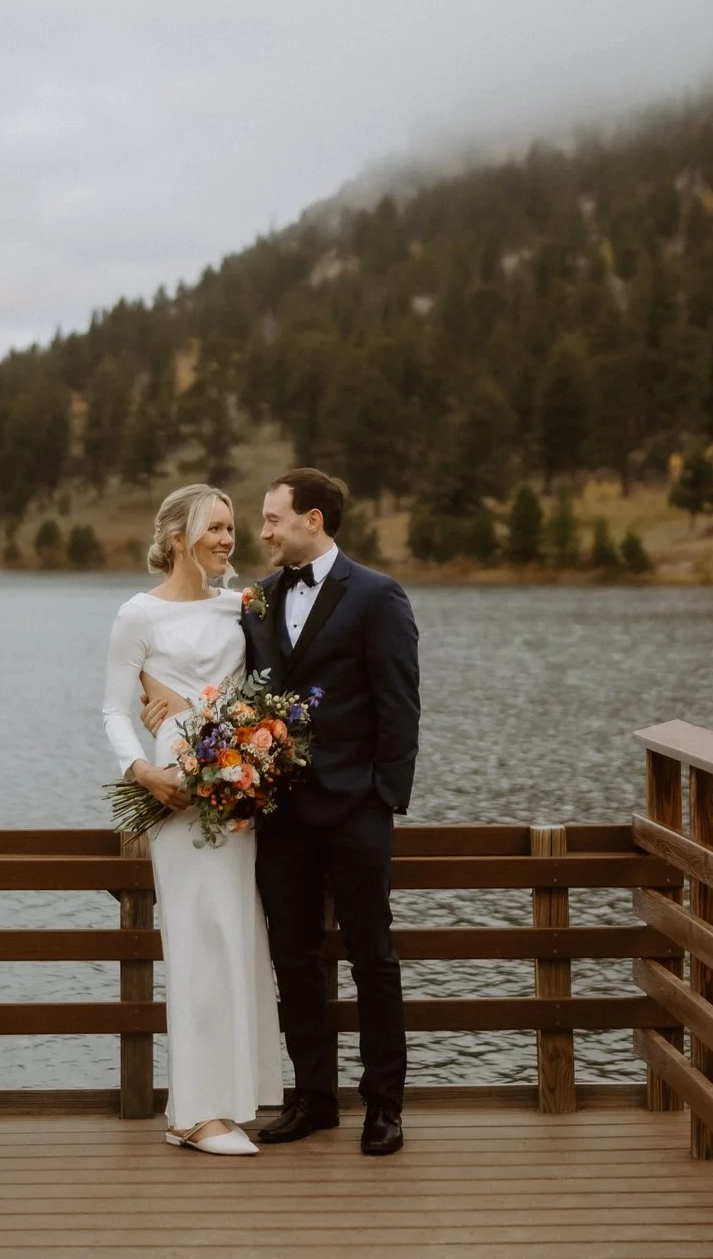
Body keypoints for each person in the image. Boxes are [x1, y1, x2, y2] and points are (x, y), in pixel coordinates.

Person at [240, 467, 419, 1157]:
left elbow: (398, 704)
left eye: (272, 517)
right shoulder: (257, 600)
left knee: (373, 958)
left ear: (312, 519)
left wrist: (383, 798)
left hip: (355, 811)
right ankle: (313, 1097)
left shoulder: (377, 595)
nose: (263, 530)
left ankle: (385, 1105)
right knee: (294, 958)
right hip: (280, 813)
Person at [98, 483, 282, 1154]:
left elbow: (265, 692)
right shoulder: (137, 615)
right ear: (177, 535)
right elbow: (115, 710)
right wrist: (141, 771)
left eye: (232, 528)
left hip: (236, 791)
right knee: (196, 940)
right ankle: (193, 1113)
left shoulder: (244, 607)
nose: (228, 538)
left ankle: (226, 1100)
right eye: (214, 526)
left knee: (236, 934)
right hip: (173, 788)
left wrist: (195, 704)